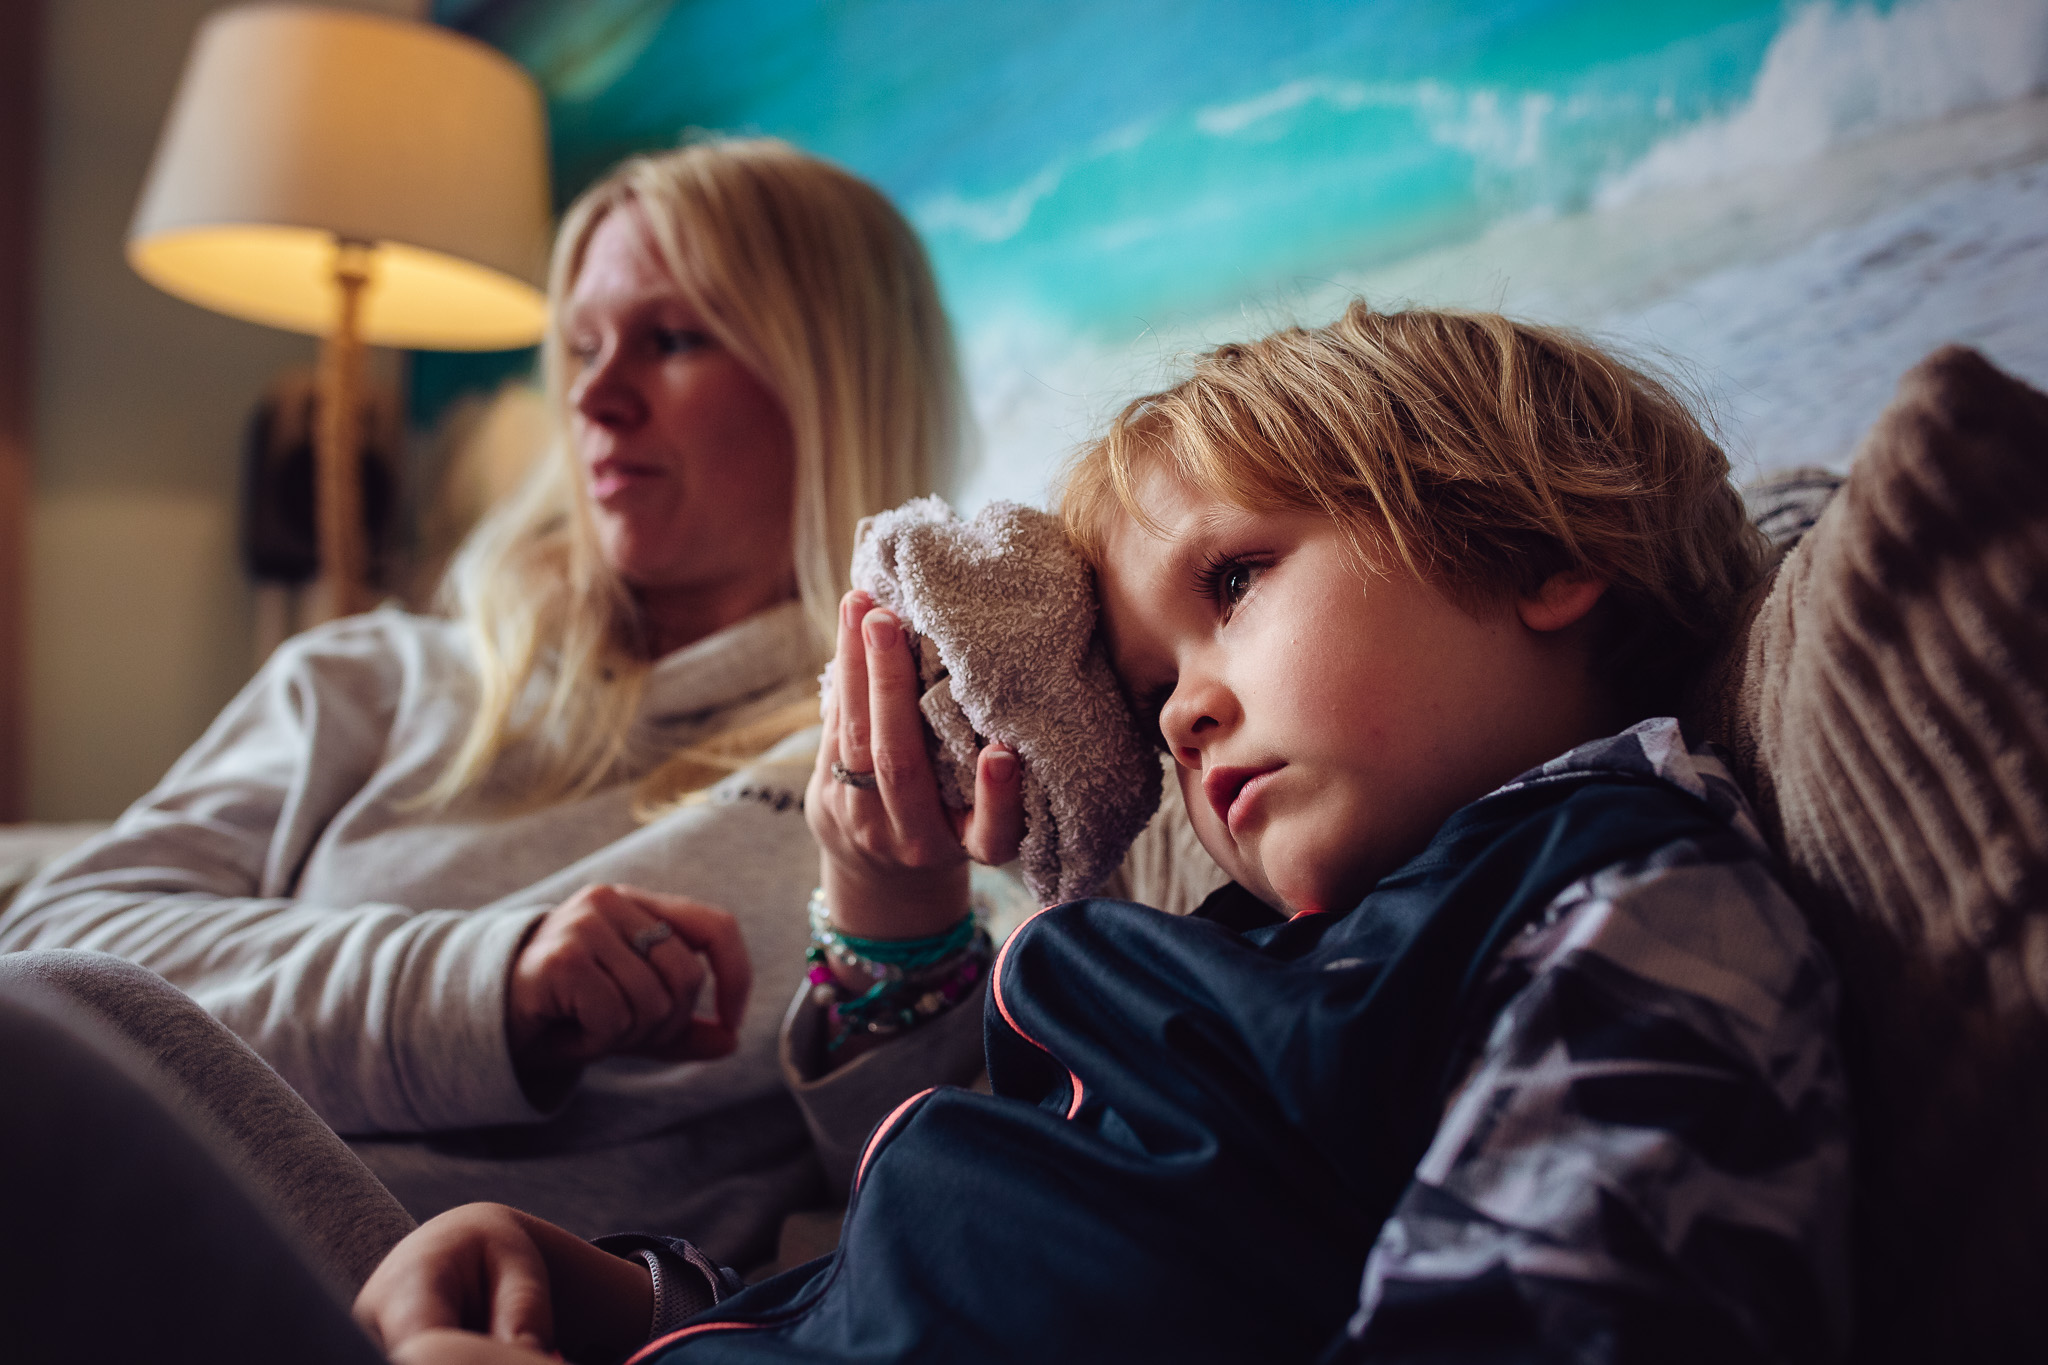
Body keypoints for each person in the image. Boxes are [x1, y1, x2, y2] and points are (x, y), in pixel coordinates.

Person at [3, 303, 1851, 1364]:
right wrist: (625, 1295)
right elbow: (930, 1261)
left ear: (1543, 553)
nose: (1182, 712)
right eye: (1148, 680)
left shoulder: (1616, 904)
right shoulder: (1260, 959)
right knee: (63, 1040)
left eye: (1234, 583)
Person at [0, 136, 968, 1270]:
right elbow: (45, 955)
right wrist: (484, 987)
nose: (594, 399)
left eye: (669, 340)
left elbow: (939, 1197)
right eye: (581, 348)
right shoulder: (376, 678)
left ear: (835, 377)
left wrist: (893, 932)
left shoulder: (911, 763)